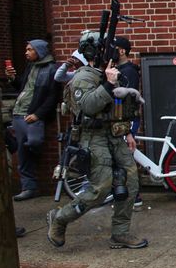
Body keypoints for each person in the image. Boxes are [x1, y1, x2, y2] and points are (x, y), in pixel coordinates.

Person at [46, 30, 148, 250]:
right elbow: (90, 106)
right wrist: (108, 85)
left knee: (130, 182)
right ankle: (60, 218)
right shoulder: (82, 77)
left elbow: (120, 108)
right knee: (101, 188)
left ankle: (120, 233)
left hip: (115, 135)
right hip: (93, 138)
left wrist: (128, 132)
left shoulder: (110, 73)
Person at [6, 39, 60, 201]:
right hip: (18, 113)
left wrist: (38, 114)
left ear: (39, 51)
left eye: (30, 50)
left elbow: (53, 96)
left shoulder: (51, 69)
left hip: (33, 115)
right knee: (22, 154)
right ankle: (28, 187)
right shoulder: (31, 67)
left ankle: (32, 156)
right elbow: (23, 88)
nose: (26, 52)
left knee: (34, 142)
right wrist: (13, 78)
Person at [115, 36, 144, 208]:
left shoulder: (129, 71)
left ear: (122, 51)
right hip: (121, 118)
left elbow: (128, 97)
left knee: (127, 157)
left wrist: (126, 123)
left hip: (129, 118)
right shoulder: (115, 69)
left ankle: (135, 196)